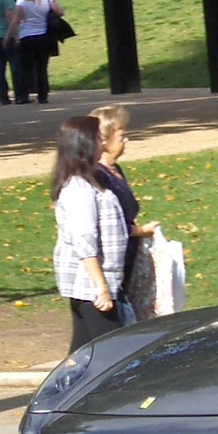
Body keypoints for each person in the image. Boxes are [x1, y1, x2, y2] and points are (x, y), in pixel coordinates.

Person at [52, 116, 129, 351]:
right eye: (97, 139)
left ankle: (69, 388)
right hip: (90, 285)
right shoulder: (78, 188)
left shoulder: (90, 180)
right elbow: (84, 239)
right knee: (112, 352)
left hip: (99, 282)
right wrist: (101, 286)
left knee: (83, 351)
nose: (102, 144)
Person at [89, 105, 159, 325]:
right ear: (103, 140)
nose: (126, 140)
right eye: (121, 135)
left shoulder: (116, 170)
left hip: (127, 256)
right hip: (110, 259)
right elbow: (107, 224)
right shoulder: (98, 176)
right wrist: (141, 231)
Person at [8, 0, 63, 104]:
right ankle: (42, 96)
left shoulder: (21, 2)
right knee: (42, 68)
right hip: (44, 37)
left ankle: (23, 95)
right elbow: (59, 12)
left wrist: (12, 35)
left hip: (27, 37)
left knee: (25, 68)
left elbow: (17, 19)